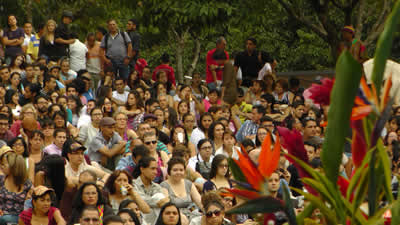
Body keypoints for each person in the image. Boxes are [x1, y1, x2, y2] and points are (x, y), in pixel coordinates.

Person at [132, 156, 170, 225]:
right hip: (139, 217)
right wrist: (161, 201)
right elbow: (143, 201)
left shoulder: (157, 186)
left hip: (154, 218)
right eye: (152, 169)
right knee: (159, 197)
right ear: (142, 169)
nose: (155, 172)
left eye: (156, 169)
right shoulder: (133, 184)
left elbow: (163, 203)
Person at [0, 151, 32, 225]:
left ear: (13, 166)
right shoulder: (1, 179)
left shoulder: (27, 184)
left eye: (4, 164)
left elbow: (29, 207)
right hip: (2, 215)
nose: (2, 166)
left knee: (4, 219)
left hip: (19, 217)